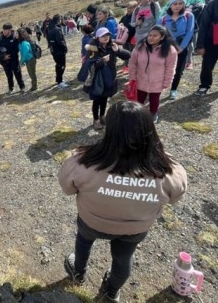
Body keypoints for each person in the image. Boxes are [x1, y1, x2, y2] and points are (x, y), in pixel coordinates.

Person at [59, 101, 187, 302]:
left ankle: (78, 272)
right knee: (123, 258)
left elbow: (67, 189)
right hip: (134, 229)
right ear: (150, 130)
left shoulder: (81, 161)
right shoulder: (168, 171)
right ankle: (111, 292)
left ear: (109, 129)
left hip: (92, 221)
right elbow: (176, 198)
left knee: (83, 242)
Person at [82, 28, 131, 130]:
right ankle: (96, 120)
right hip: (97, 79)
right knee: (96, 100)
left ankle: (102, 116)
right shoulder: (92, 48)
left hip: (109, 78)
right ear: (98, 37)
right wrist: (101, 62)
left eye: (108, 35)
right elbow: (89, 65)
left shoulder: (112, 46)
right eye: (103, 36)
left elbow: (128, 56)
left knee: (104, 98)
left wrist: (118, 50)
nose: (106, 37)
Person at [128, 25, 178, 123]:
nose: (151, 38)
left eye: (155, 36)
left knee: (154, 100)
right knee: (139, 100)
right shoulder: (140, 46)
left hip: (157, 81)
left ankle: (153, 113)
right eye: (150, 35)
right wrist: (132, 77)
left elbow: (171, 68)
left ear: (162, 37)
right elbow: (132, 63)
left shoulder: (170, 50)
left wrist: (167, 82)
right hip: (140, 79)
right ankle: (138, 114)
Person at [157, 0, 195, 100]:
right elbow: (159, 34)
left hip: (182, 47)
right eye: (175, 3)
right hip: (167, 48)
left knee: (178, 70)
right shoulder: (163, 19)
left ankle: (173, 89)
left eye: (180, 3)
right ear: (171, 5)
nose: (177, 6)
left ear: (184, 4)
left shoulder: (188, 16)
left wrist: (181, 47)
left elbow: (189, 32)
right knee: (163, 68)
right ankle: (158, 88)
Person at [0, 22, 26, 94]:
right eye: (3, 29)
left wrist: (10, 55)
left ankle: (22, 87)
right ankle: (11, 88)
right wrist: (3, 57)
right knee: (9, 75)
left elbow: (17, 49)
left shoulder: (14, 37)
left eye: (5, 30)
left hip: (14, 59)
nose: (3, 31)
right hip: (5, 61)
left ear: (9, 30)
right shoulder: (1, 39)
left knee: (18, 74)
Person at [48, 14, 69, 89]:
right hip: (59, 50)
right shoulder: (56, 29)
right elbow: (60, 41)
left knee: (58, 64)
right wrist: (65, 48)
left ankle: (58, 79)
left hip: (53, 50)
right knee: (61, 65)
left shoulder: (49, 28)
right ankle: (60, 82)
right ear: (59, 20)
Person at [118, 1, 138, 74]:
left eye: (131, 8)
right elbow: (120, 23)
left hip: (132, 38)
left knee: (132, 54)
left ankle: (133, 69)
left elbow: (134, 27)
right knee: (126, 53)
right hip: (125, 38)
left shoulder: (135, 17)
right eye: (128, 8)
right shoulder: (125, 17)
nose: (129, 9)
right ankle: (126, 67)